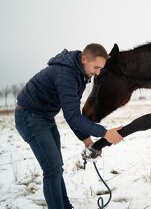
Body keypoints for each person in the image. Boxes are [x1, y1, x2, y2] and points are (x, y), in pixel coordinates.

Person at [15, 43, 123, 209]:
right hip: (29, 117)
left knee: (56, 168)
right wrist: (104, 133)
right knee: (52, 169)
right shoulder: (66, 74)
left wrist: (86, 139)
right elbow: (72, 117)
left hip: (45, 117)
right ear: (84, 59)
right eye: (96, 67)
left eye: (101, 68)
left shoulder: (78, 74)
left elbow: (73, 114)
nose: (98, 72)